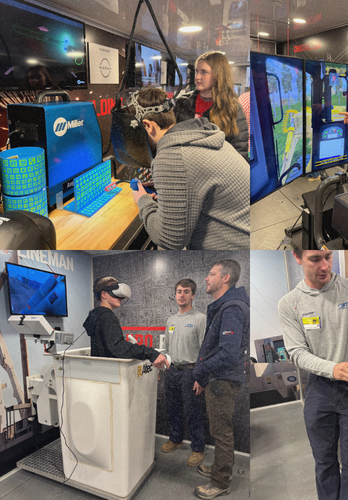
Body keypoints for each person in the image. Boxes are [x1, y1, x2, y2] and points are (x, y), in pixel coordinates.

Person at [279, 244, 348, 500]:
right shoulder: (290, 304)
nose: (325, 266)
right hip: (319, 390)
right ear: (297, 257)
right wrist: (332, 369)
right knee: (324, 462)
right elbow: (297, 352)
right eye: (315, 259)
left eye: (328, 257)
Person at [128, 87, 250, 250]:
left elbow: (169, 241)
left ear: (148, 126)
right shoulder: (202, 136)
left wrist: (142, 200)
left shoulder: (172, 155)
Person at [192, 260, 250, 500]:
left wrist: (200, 372)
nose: (206, 278)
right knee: (218, 429)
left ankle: (220, 481)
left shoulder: (232, 308)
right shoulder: (223, 306)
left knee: (222, 431)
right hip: (217, 379)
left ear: (225, 278)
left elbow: (227, 353)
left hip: (222, 382)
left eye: (211, 273)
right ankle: (218, 469)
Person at [160, 278, 209, 467]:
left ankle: (198, 448)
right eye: (179, 291)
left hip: (191, 372)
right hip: (172, 370)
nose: (182, 295)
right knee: (172, 408)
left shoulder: (200, 319)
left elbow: (205, 351)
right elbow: (166, 348)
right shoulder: (170, 320)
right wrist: (162, 368)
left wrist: (200, 377)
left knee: (193, 411)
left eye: (186, 291)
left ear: (193, 295)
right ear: (175, 294)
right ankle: (175, 439)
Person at [173, 51, 249, 161]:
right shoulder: (182, 103)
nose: (198, 77)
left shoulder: (232, 108)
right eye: (197, 71)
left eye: (204, 72)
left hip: (215, 172)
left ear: (218, 75)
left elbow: (239, 152)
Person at [85, 277, 169, 369]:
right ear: (104, 294)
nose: (120, 297)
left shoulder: (97, 316)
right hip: (111, 373)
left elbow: (109, 346)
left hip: (100, 371)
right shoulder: (107, 316)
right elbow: (118, 347)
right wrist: (151, 353)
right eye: (115, 292)